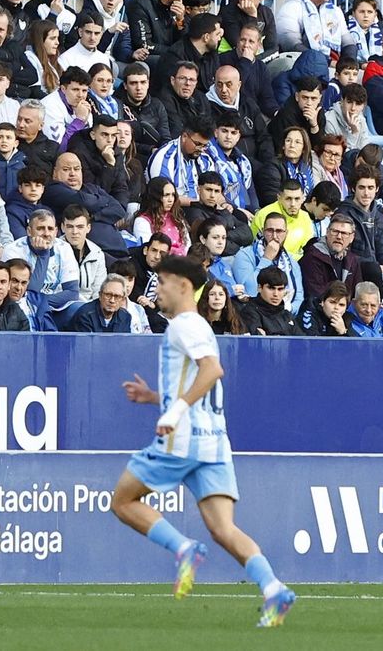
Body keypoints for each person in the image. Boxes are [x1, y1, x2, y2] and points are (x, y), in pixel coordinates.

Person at [110, 253, 296, 628]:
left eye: (161, 282)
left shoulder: (183, 326)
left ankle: (183, 548)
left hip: (184, 439)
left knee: (123, 501)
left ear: (182, 285)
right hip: (213, 440)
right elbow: (198, 377)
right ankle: (274, 588)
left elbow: (213, 370)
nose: (157, 289)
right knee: (223, 529)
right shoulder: (198, 328)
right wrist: (154, 398)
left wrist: (174, 412)